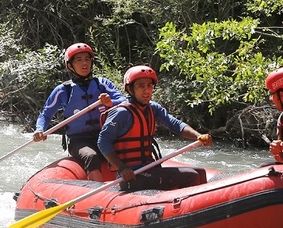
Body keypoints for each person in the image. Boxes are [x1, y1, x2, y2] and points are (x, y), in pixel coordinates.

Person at [97, 65, 212, 191]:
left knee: (200, 172)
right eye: (141, 86)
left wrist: (198, 136)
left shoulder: (153, 108)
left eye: (149, 86)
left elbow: (175, 124)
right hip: (131, 175)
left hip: (149, 168)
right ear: (130, 89)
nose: (146, 90)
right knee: (191, 177)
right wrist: (122, 168)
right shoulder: (121, 113)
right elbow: (103, 141)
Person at [33, 42, 126, 181]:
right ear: (70, 65)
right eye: (79, 60)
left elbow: (125, 101)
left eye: (87, 59)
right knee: (91, 156)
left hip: (105, 135)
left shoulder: (103, 84)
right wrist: (39, 129)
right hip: (78, 140)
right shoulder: (63, 90)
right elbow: (46, 114)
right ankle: (98, 195)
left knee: (128, 151)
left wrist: (110, 102)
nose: (84, 64)